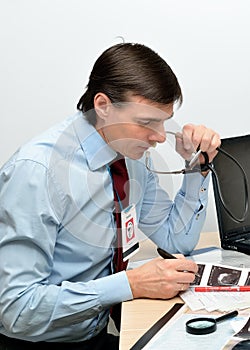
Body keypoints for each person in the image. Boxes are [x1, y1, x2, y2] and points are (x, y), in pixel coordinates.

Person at [0, 42, 221, 349]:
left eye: (163, 122)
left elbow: (175, 240)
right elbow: (16, 309)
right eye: (146, 123)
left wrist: (197, 167)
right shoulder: (37, 172)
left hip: (95, 333)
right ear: (102, 106)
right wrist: (131, 284)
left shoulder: (131, 155)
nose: (159, 137)